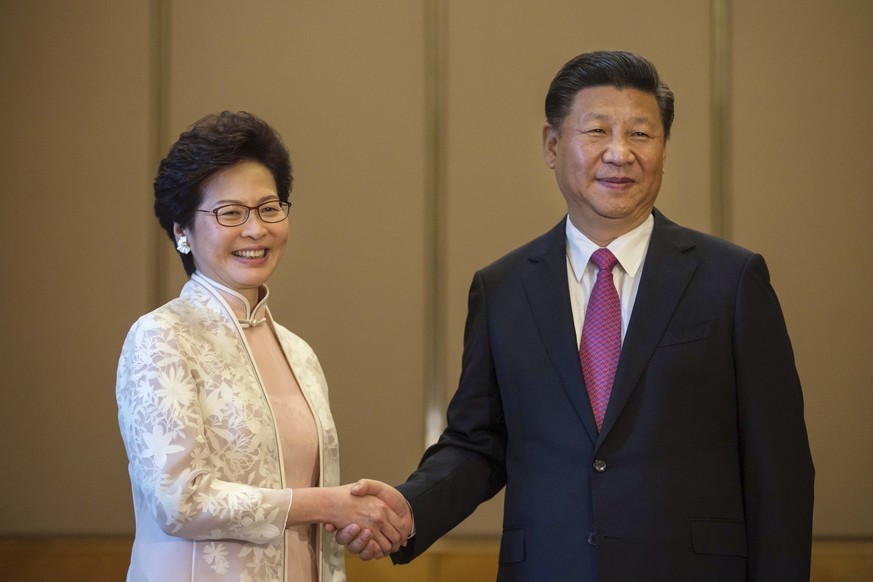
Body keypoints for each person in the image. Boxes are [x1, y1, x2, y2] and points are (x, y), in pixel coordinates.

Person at [336, 51, 815, 581]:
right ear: (552, 145)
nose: (619, 153)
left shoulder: (731, 280)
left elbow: (781, 469)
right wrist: (410, 508)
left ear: (663, 150)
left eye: (641, 134)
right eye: (597, 131)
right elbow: (479, 444)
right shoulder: (504, 289)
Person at [116, 111, 409, 581]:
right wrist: (327, 503)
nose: (255, 229)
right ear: (182, 232)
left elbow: (311, 510)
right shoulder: (161, 336)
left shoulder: (300, 354)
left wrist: (355, 519)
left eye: (269, 207)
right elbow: (180, 501)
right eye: (230, 213)